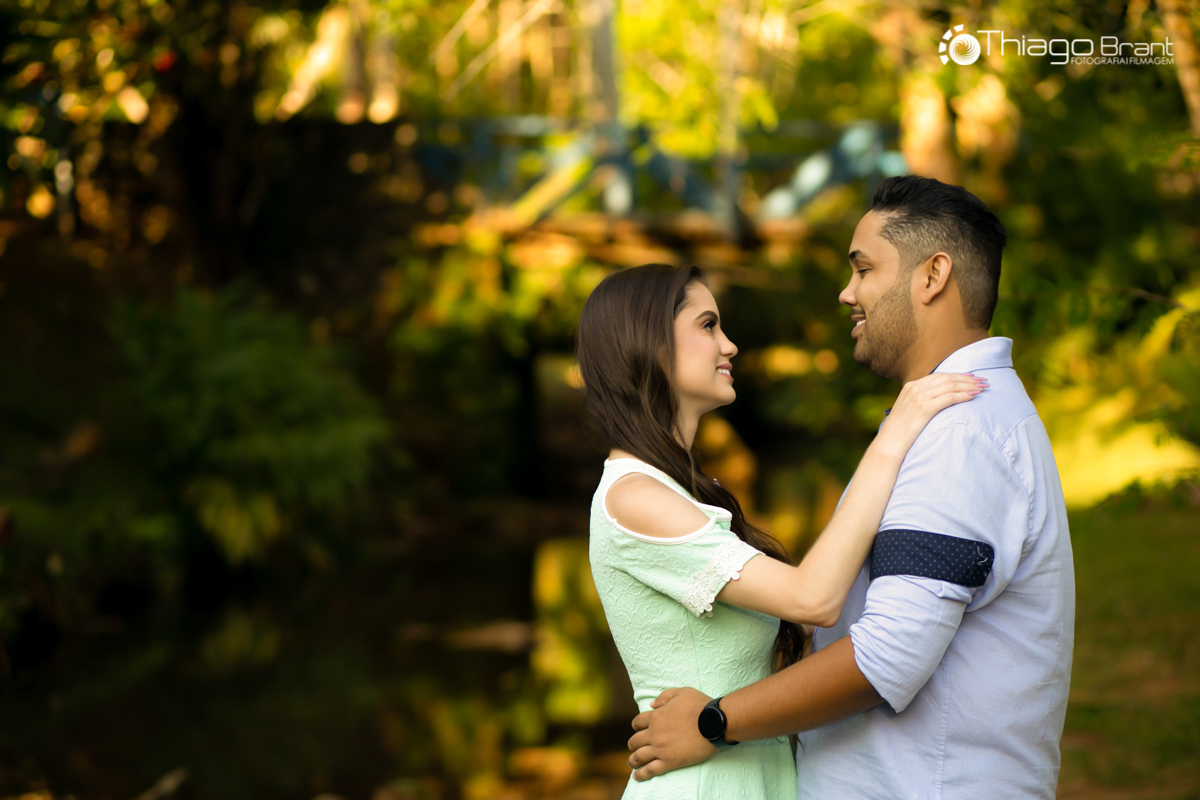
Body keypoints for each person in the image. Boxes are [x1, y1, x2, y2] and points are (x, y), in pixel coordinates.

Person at [625, 176, 1076, 800]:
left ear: (932, 276)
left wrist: (715, 721)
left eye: (863, 269)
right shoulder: (956, 416)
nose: (847, 292)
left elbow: (886, 657)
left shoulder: (961, 432)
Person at [577, 261, 987, 800]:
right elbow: (813, 599)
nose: (729, 345)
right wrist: (895, 434)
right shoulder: (634, 497)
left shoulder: (677, 491)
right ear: (649, 344)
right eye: (707, 326)